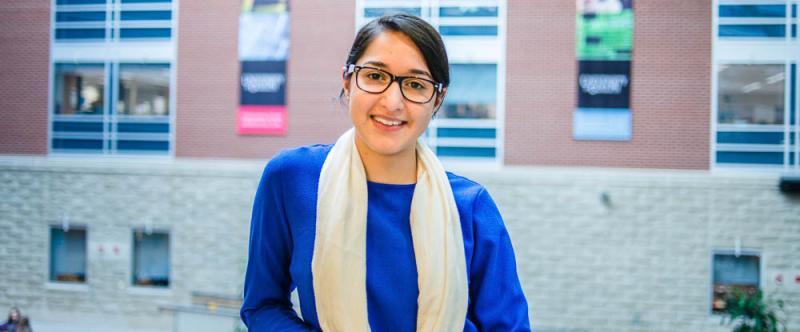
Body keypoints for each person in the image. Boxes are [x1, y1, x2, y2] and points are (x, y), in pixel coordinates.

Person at [240, 13, 530, 331]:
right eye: (376, 76)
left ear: (438, 99)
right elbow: (262, 304)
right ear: (348, 80)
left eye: (416, 84)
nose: (392, 102)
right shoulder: (292, 179)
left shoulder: (471, 207)